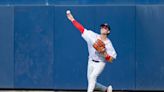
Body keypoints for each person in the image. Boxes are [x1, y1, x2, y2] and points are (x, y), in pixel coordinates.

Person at [66, 10, 117, 92]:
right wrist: (72, 19)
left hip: (100, 63)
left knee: (93, 77)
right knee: (91, 82)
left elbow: (112, 59)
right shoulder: (92, 36)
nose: (103, 28)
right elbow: (81, 29)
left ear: (108, 31)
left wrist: (104, 53)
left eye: (105, 28)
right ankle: (106, 89)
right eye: (102, 27)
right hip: (90, 61)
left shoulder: (108, 44)